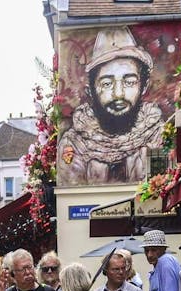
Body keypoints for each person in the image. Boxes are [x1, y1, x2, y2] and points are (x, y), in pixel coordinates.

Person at [58, 26, 162, 185]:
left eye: (129, 82)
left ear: (144, 86)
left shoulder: (157, 135)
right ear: (91, 91)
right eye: (106, 84)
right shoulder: (74, 144)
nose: (118, 94)